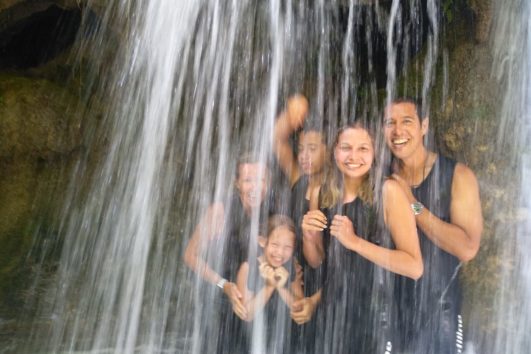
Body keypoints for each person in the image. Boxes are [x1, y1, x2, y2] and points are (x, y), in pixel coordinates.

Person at [301, 121, 423, 353]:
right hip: (332, 314)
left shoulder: (388, 192)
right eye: (346, 147)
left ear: (375, 152)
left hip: (378, 316)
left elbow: (414, 266)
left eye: (363, 148)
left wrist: (355, 242)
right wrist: (309, 237)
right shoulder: (321, 191)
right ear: (334, 151)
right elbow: (317, 261)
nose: (353, 156)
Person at [383, 98, 483, 354]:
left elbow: (468, 248)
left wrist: (413, 204)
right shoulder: (380, 173)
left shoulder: (457, 175)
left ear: (424, 125)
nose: (398, 131)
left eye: (407, 121)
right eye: (390, 123)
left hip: (442, 313)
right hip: (392, 312)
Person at [183, 152, 271, 353]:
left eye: (261, 180)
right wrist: (224, 285)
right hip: (219, 301)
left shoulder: (271, 211)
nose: (256, 187)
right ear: (237, 183)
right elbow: (190, 255)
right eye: (248, 180)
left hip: (255, 302)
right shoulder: (220, 211)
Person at [273, 94, 328, 329]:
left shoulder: (337, 189)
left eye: (312, 149)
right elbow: (276, 139)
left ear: (329, 150)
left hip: (325, 282)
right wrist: (292, 110)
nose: (304, 156)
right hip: (291, 275)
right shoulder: (298, 177)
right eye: (301, 148)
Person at [236, 215, 303, 352]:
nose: (280, 252)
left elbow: (299, 309)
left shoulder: (292, 268)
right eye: (275, 245)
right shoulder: (248, 267)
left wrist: (280, 287)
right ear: (262, 241)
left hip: (284, 342)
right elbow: (246, 314)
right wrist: (270, 286)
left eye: (287, 247)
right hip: (250, 342)